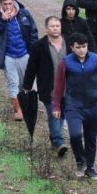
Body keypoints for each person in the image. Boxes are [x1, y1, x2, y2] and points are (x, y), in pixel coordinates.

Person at [52, 32, 97, 180]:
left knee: (91, 138)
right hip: (73, 105)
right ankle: (80, 160)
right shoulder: (65, 62)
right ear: (72, 47)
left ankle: (90, 168)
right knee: (75, 135)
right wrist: (56, 106)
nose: (82, 50)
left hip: (92, 105)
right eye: (78, 47)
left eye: (84, 47)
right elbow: (59, 85)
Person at [23, 16, 69, 156]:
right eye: (52, 26)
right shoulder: (38, 46)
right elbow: (31, 67)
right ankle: (59, 141)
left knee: (62, 115)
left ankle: (54, 138)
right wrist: (27, 85)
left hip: (68, 88)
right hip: (48, 87)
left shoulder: (69, 43)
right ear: (46, 28)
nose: (55, 28)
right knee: (53, 114)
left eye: (57, 26)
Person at [0, 0, 38, 121]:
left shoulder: (24, 13)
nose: (8, 6)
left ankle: (29, 106)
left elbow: (33, 31)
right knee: (13, 83)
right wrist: (2, 21)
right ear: (0, 4)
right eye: (5, 4)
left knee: (28, 83)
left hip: (24, 53)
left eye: (10, 3)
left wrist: (33, 52)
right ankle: (18, 110)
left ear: (13, 1)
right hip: (8, 55)